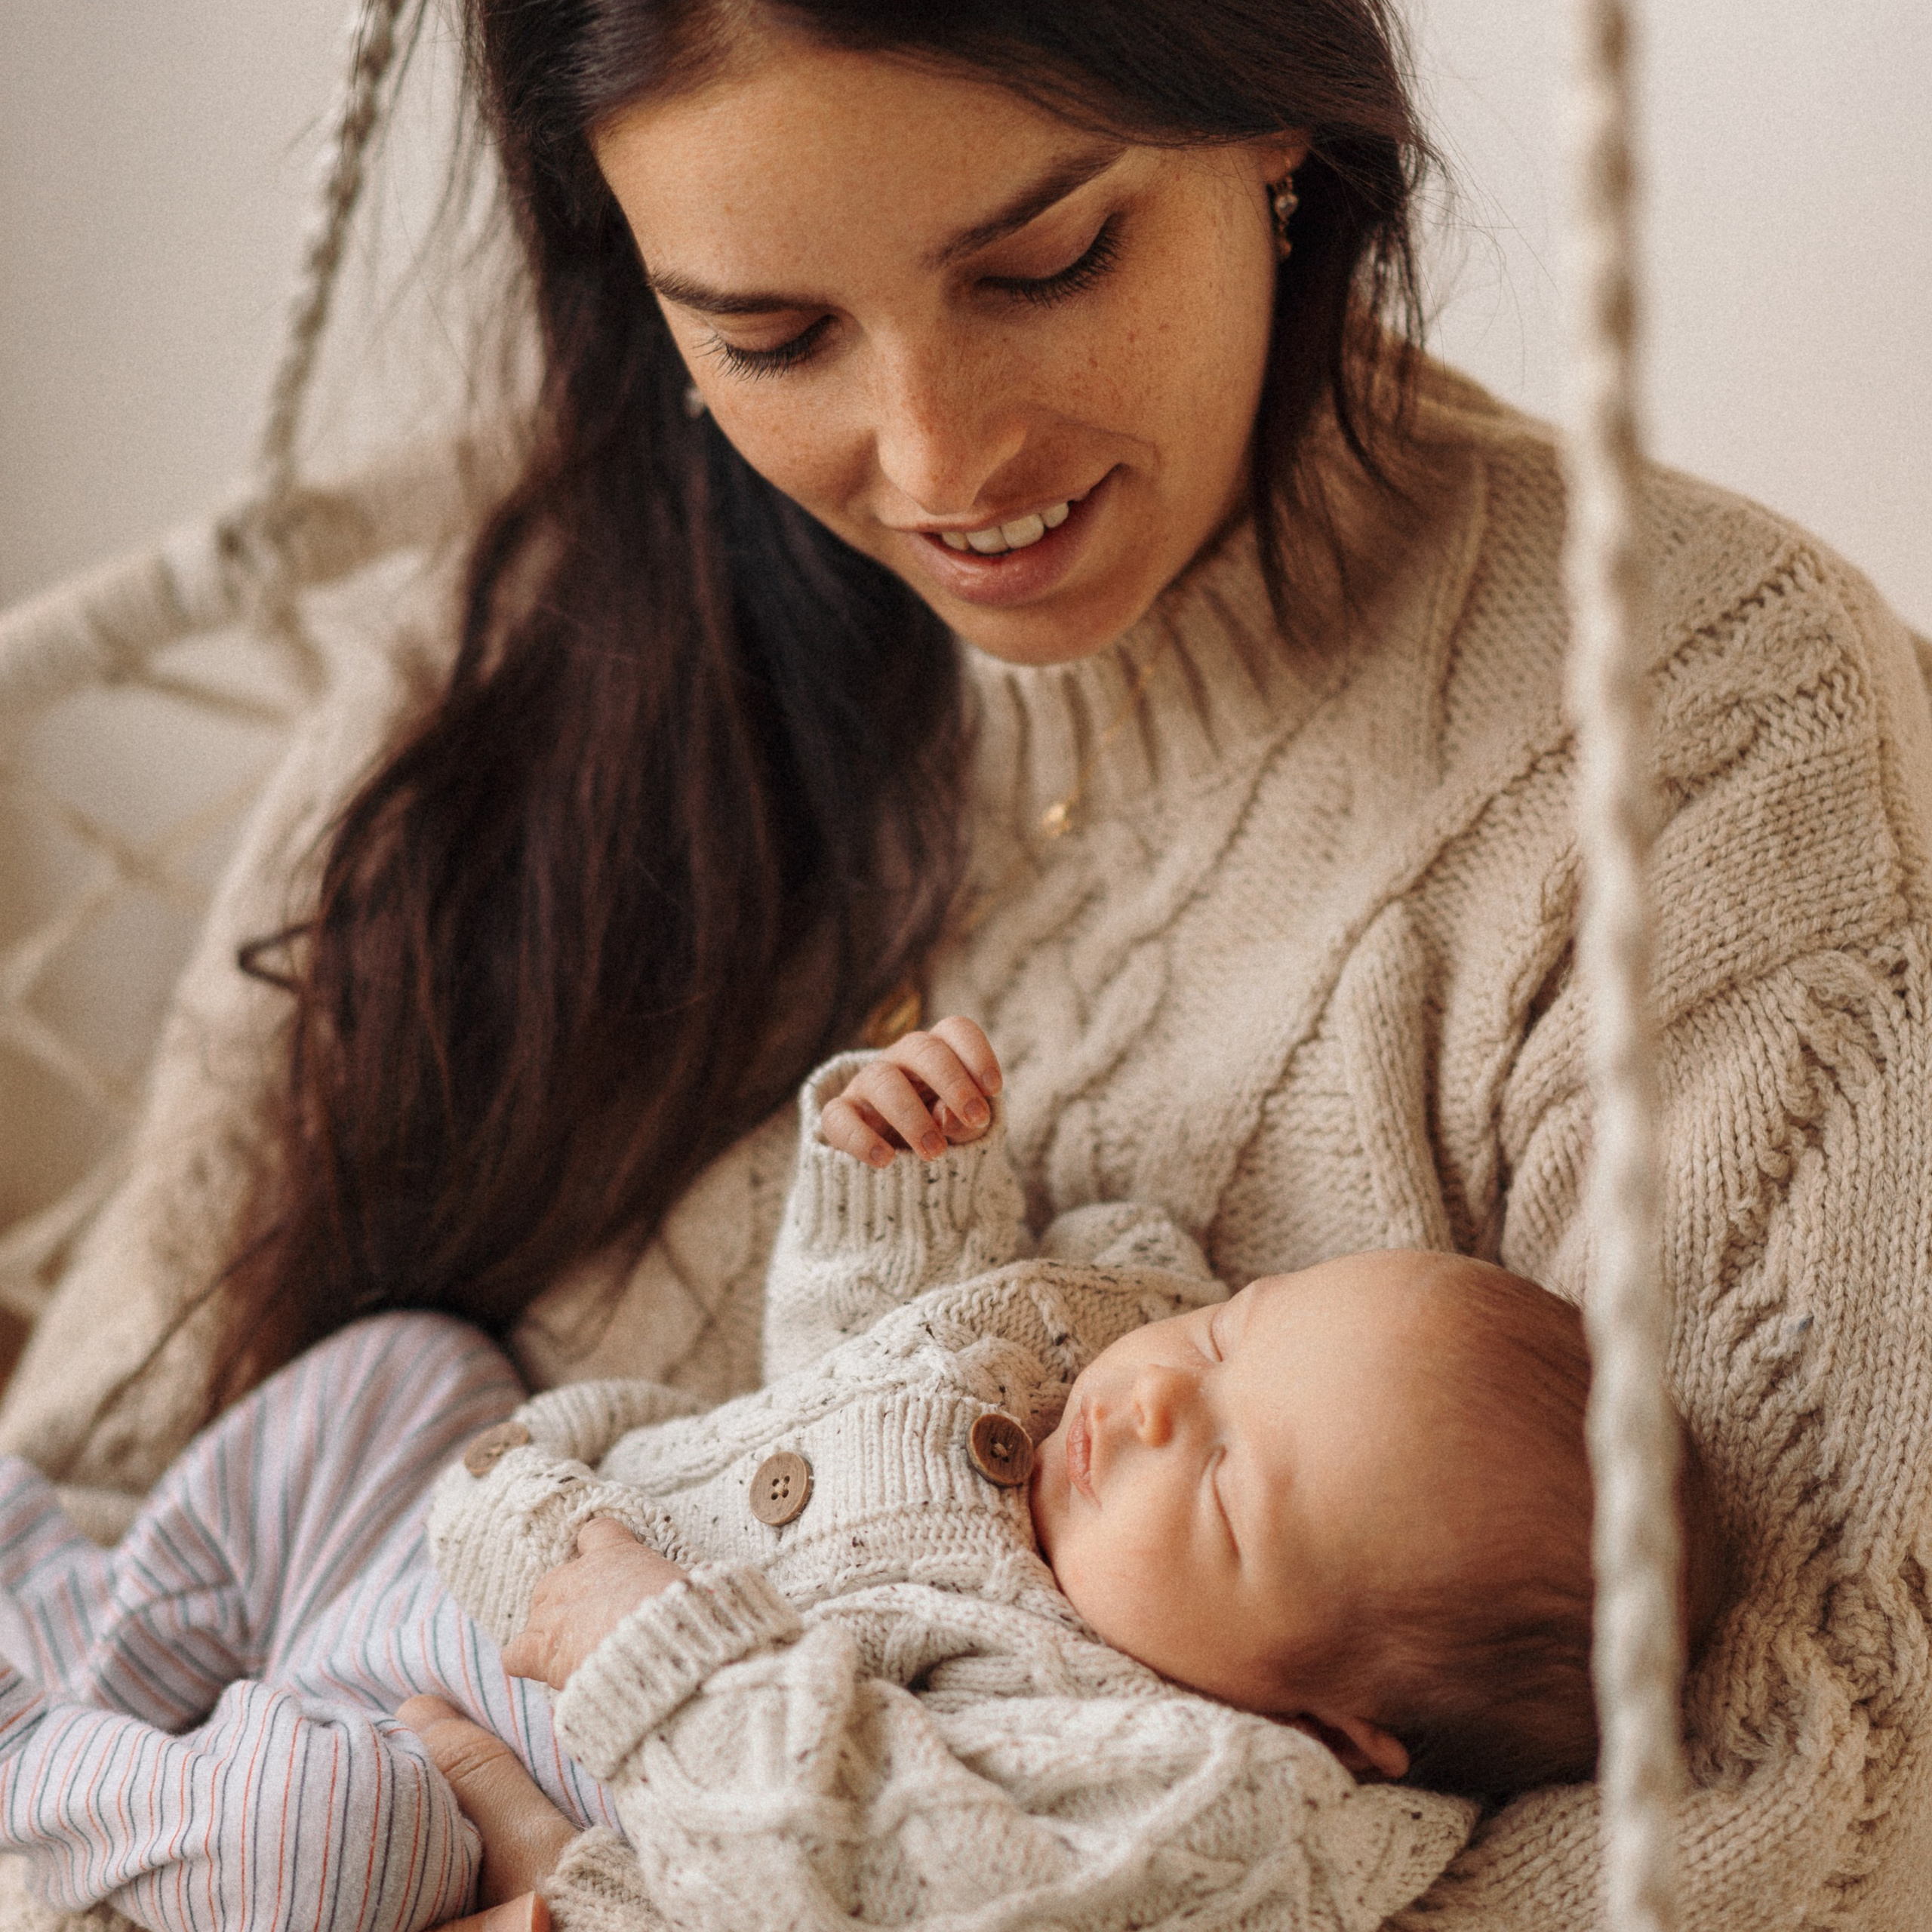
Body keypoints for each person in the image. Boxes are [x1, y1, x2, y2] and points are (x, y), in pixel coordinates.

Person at [2, 1, 1929, 1927]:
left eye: (1045, 261)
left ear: (1273, 124)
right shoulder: (517, 645)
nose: (938, 458)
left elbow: (1794, 1821)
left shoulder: (1703, 732)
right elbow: (104, 1477)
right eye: (768, 336)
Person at [0, 1024, 1707, 1932]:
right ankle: (114, 1671)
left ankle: (45, 1761)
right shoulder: (1101, 1360)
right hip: (448, 1539)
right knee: (413, 1357)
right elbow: (850, 1366)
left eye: (1229, 1496)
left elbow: (853, 1864)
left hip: (443, 1771)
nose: (1165, 1400)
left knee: (325, 1840)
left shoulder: (1160, 1776)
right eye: (1239, 1330)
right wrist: (905, 1197)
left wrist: (641, 1643)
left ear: (1338, 1721)